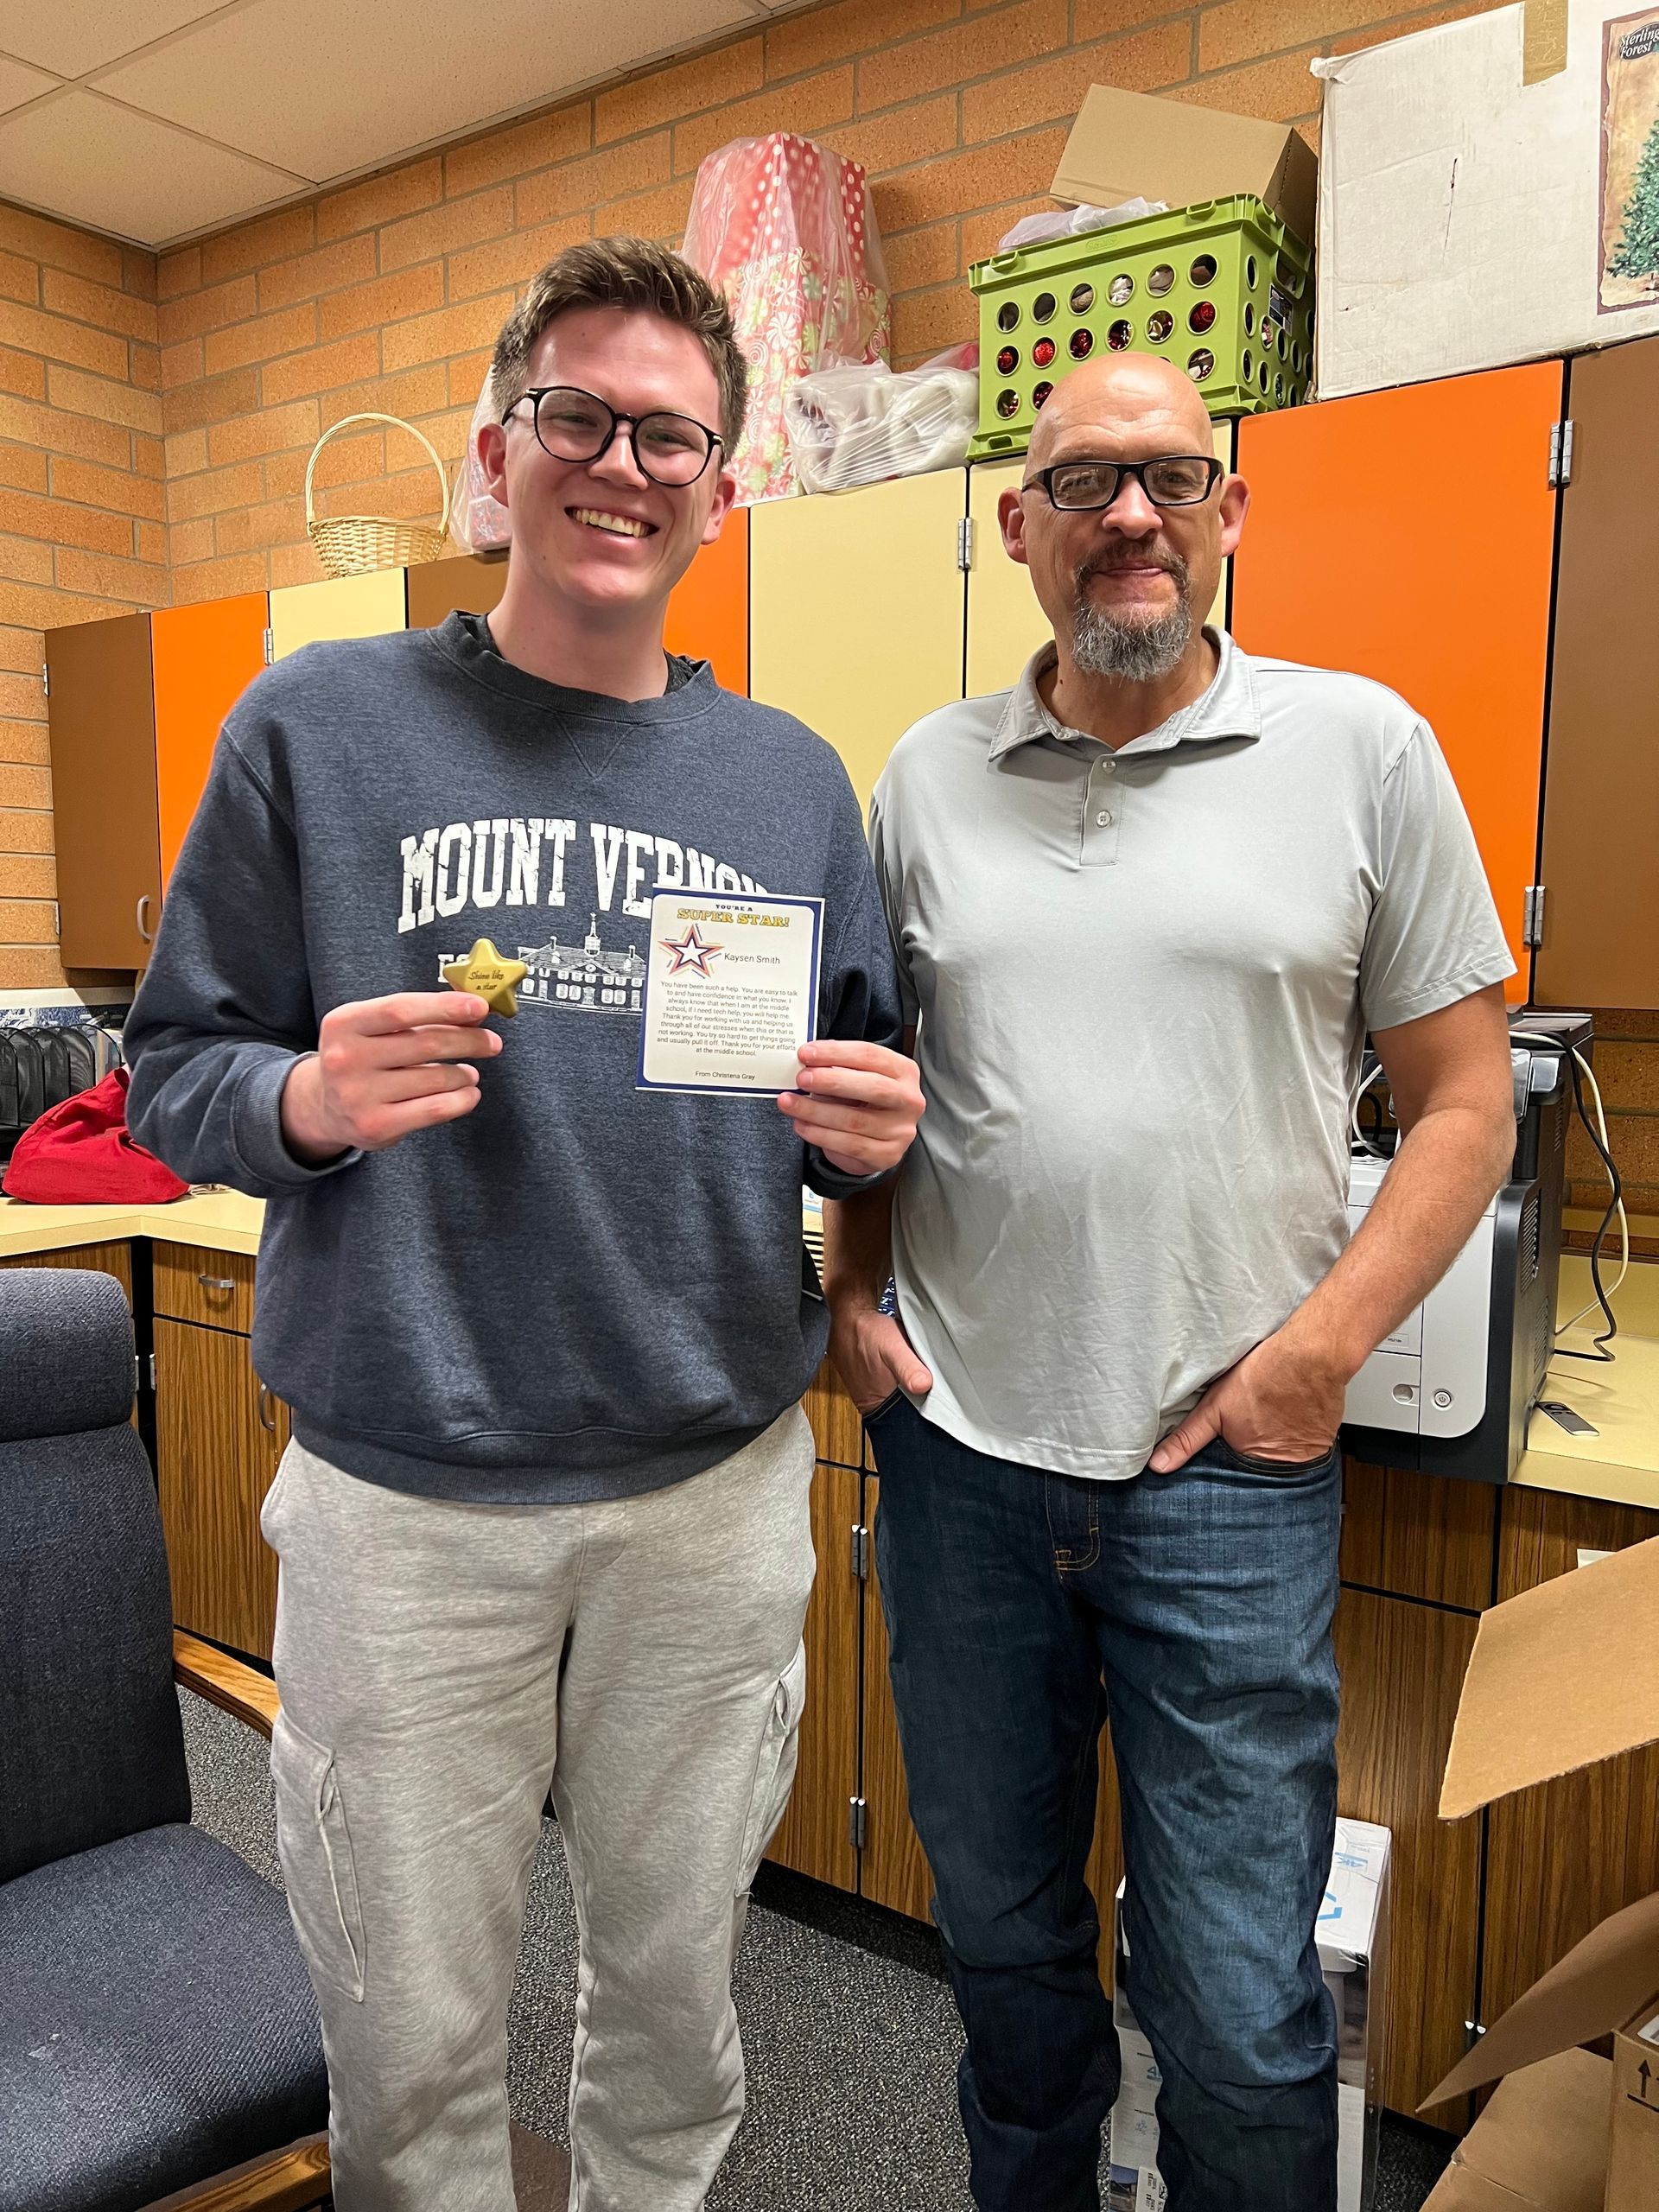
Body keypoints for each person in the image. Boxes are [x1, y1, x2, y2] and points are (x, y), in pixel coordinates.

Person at [125, 236, 923, 2212]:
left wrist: (870, 1131)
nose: (622, 463)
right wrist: (301, 1097)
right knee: (410, 2027)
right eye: (581, 415)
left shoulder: (790, 781)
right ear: (501, 450)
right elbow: (167, 1072)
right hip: (411, 1502)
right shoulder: (316, 725)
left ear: (722, 488)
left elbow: (854, 1107)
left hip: (709, 1494)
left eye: (672, 434)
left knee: (675, 1993)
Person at [824, 352, 1517, 2212]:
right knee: (1007, 1956)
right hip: (963, 1460)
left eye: (1171, 477)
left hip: (1230, 1473)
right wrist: (852, 1300)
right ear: (1017, 525)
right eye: (1083, 482)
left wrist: (1317, 1359)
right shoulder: (925, 775)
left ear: (1230, 510)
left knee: (1236, 2005)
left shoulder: (1361, 746)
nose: (1130, 513)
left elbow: (1464, 1102)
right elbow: (874, 1080)